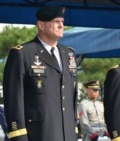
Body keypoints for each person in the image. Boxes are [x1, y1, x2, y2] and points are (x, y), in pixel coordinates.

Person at [3, 5, 78, 141]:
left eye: (62, 21)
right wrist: (18, 136)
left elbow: (71, 96)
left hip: (67, 134)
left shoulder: (69, 54)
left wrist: (74, 128)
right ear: (41, 25)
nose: (61, 25)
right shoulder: (23, 54)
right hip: (39, 135)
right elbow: (14, 100)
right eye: (56, 21)